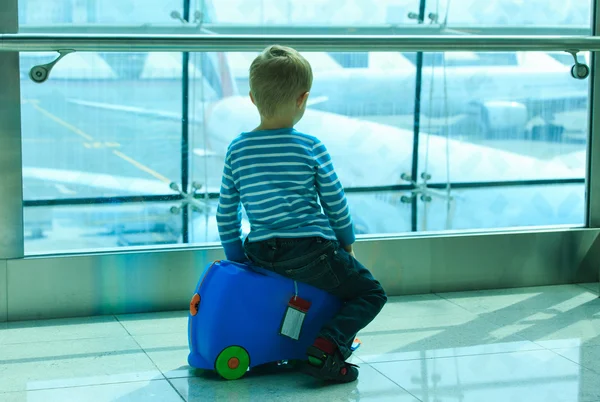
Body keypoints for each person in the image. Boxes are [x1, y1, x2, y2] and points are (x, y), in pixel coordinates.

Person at [216, 44, 387, 383]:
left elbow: (226, 214)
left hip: (262, 252)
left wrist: (238, 260)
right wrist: (346, 241)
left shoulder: (237, 149)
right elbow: (335, 203)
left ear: (251, 98)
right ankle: (326, 346)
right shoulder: (310, 147)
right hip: (312, 249)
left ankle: (288, 345)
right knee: (370, 293)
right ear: (302, 99)